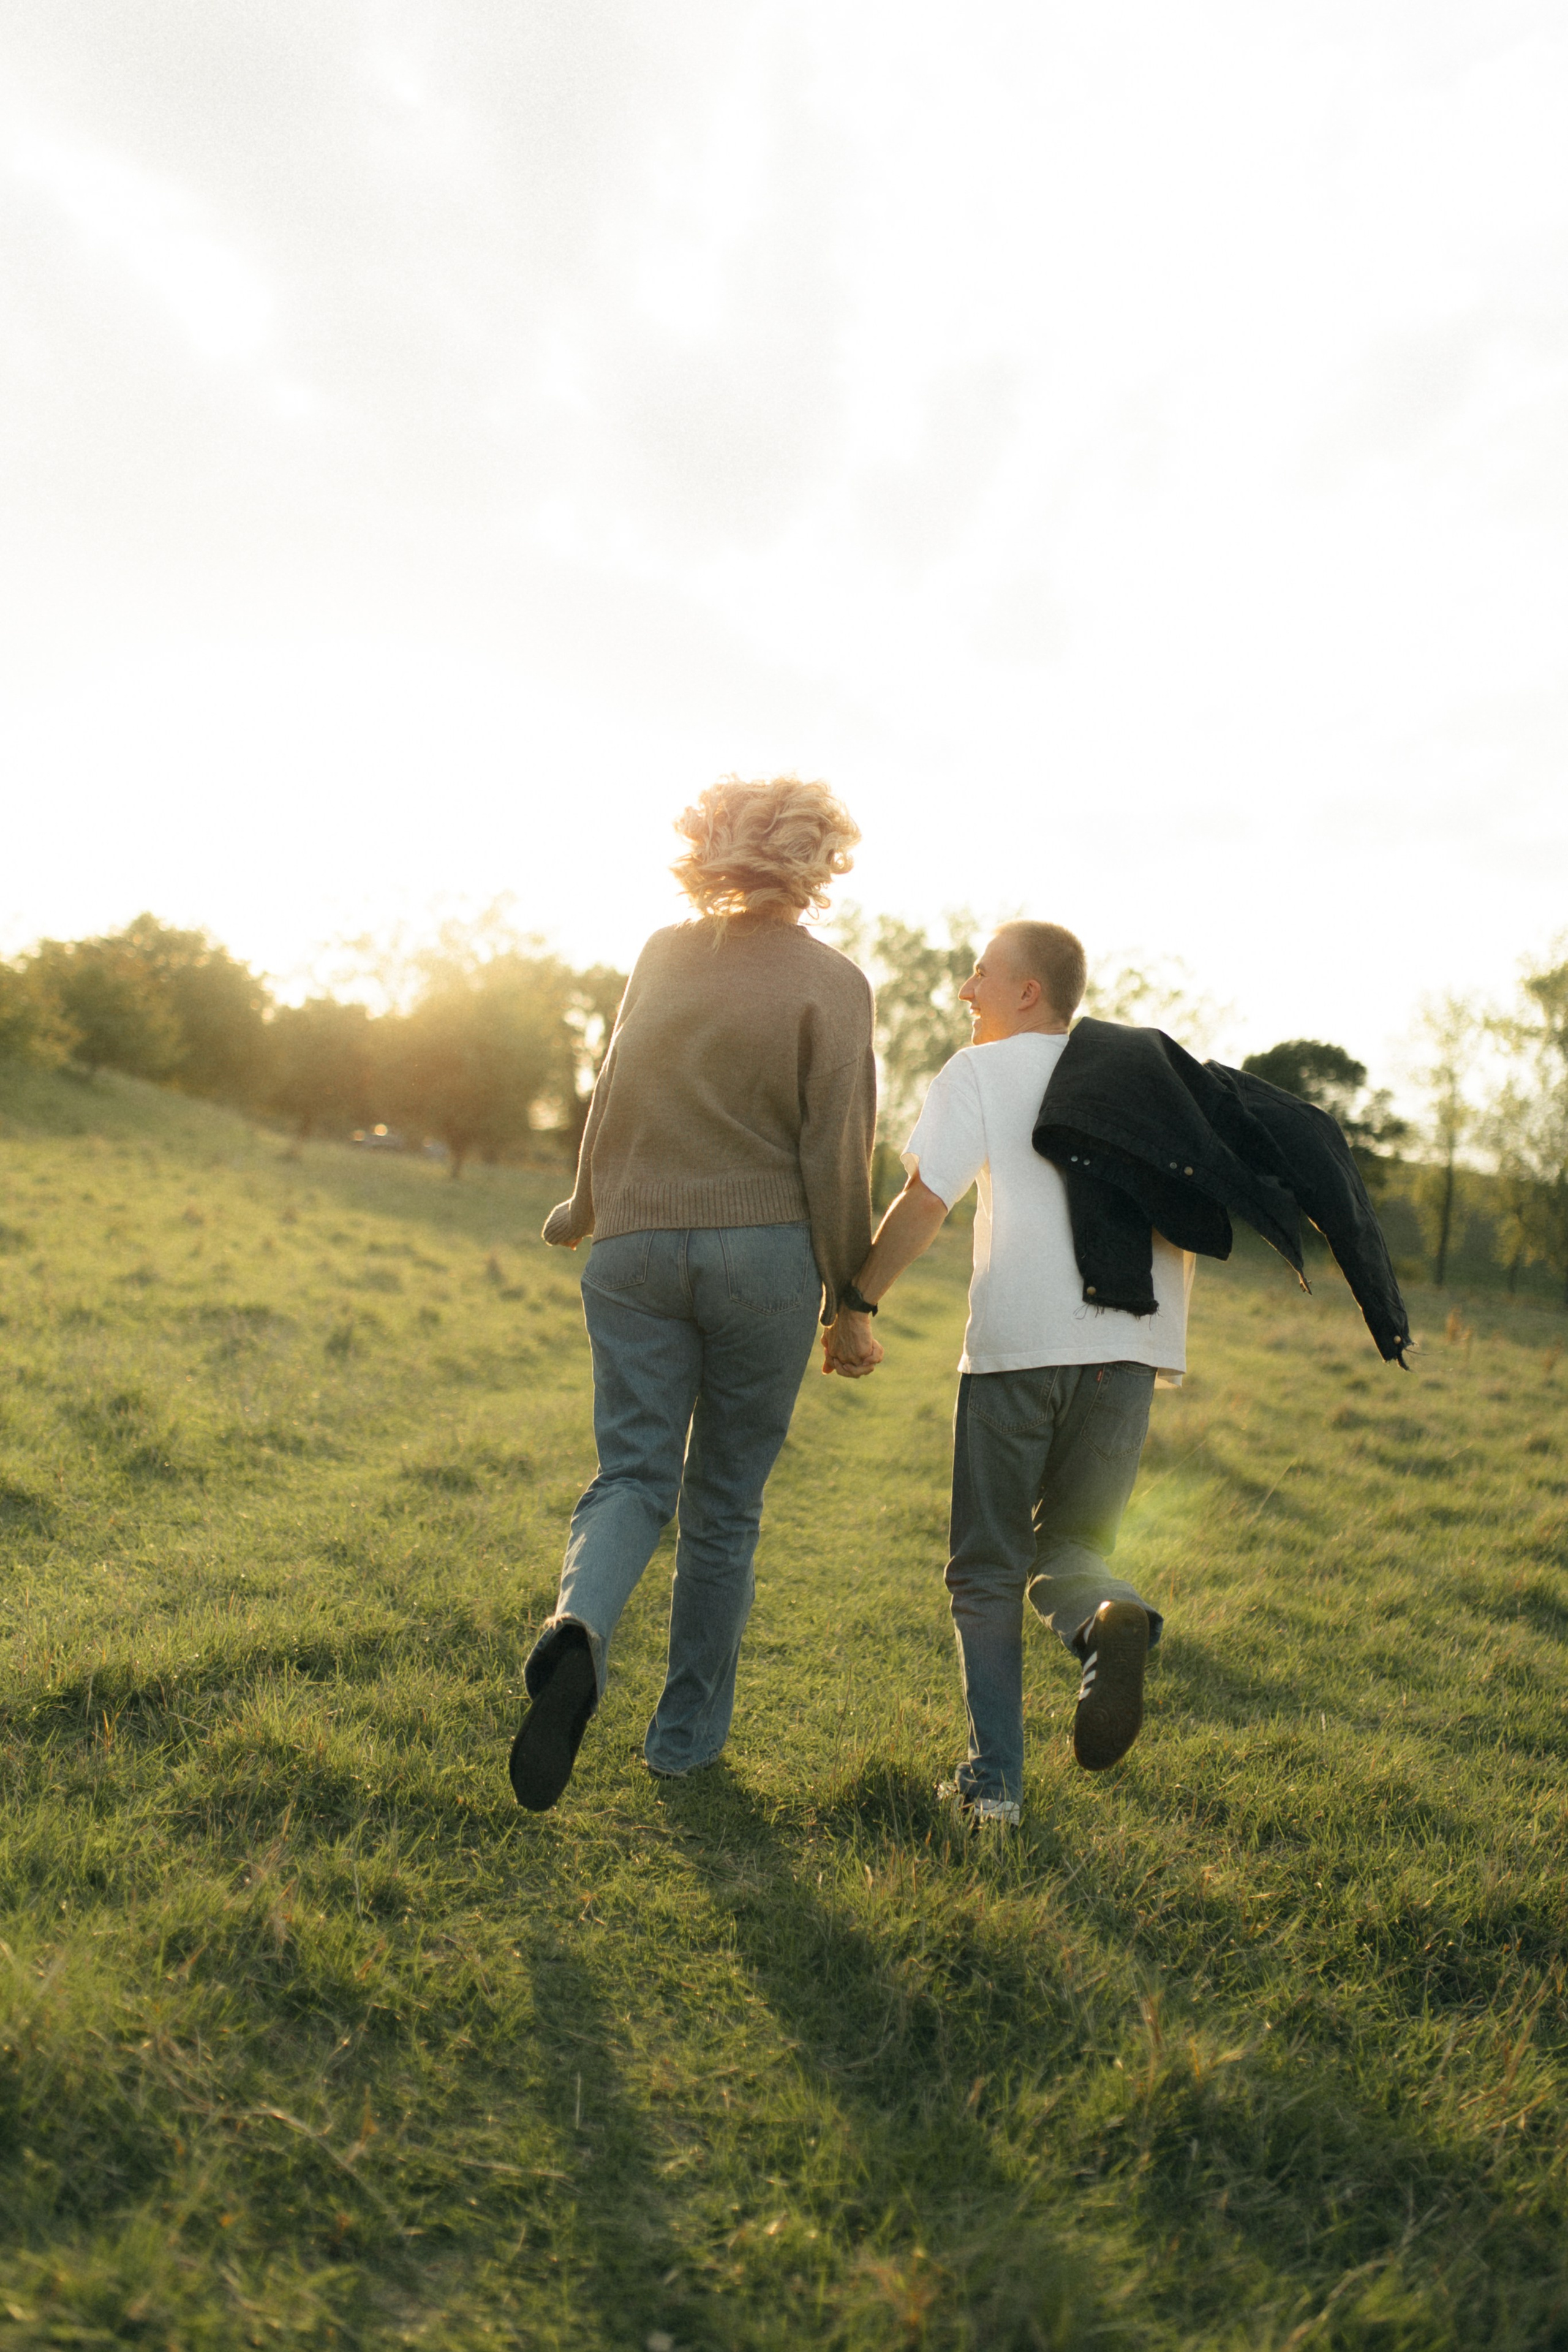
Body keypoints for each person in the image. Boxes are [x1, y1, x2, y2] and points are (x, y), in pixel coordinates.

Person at [509, 775, 876, 1812]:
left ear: (709, 849)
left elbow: (614, 1087)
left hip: (633, 1242)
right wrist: (850, 1298)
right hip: (763, 1256)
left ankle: (577, 1625)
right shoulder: (834, 982)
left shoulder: (662, 955)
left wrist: (585, 1203)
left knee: (630, 1474)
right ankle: (680, 1746)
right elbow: (835, 1149)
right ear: (821, 863)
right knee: (724, 1507)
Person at [822, 921, 1191, 1827]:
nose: (965, 991)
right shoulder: (1146, 1078)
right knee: (1072, 1551)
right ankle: (1109, 1613)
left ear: (1029, 991)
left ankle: (995, 1789)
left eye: (981, 974)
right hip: (1133, 1352)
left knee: (986, 1570)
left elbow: (927, 1199)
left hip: (1021, 1350)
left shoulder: (980, 1073)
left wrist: (856, 1302)